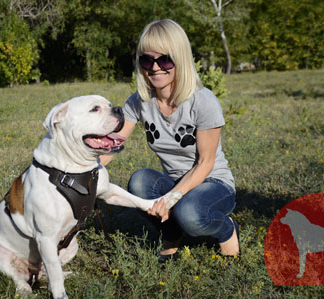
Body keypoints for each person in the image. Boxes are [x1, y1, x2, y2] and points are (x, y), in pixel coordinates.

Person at [101, 19, 239, 262]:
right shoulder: (139, 102)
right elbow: (113, 145)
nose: (154, 68)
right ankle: (172, 233)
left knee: (191, 212)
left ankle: (226, 228)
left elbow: (205, 163)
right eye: (146, 60)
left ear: (180, 59)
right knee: (140, 182)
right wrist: (81, 172)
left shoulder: (203, 101)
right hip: (175, 180)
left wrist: (170, 199)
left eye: (164, 59)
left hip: (213, 183)